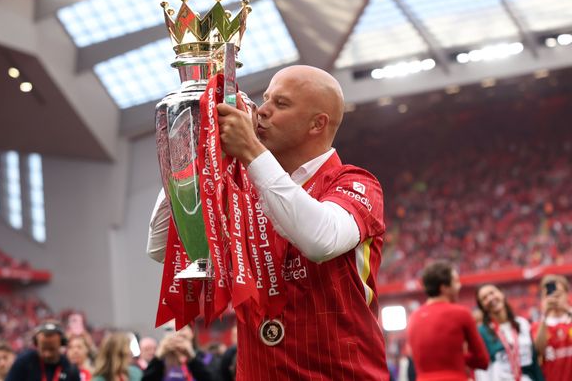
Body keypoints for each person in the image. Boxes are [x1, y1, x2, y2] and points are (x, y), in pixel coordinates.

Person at [148, 65, 389, 379]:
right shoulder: (243, 188)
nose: (262, 111)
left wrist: (251, 150)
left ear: (317, 124)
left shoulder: (355, 183)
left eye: (281, 104)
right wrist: (197, 157)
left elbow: (321, 240)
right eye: (266, 99)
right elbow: (161, 246)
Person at [407, 261, 488, 381]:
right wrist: (457, 357)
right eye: (455, 282)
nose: (459, 286)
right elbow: (482, 360)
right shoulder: (461, 313)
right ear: (444, 288)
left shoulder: (413, 317)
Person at [475, 284, 543, 381]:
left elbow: (534, 361)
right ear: (482, 306)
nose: (490, 298)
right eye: (484, 298)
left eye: (492, 293)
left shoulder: (523, 324)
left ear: (502, 294)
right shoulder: (482, 332)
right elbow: (481, 370)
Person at [6, 321, 81, 381]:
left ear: (61, 344)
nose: (47, 354)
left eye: (51, 349)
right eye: (43, 349)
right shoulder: (24, 363)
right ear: (36, 344)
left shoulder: (70, 369)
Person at [531, 275, 572, 380]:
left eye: (558, 294)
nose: (554, 298)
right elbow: (538, 351)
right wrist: (545, 314)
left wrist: (568, 310)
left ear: (567, 294)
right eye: (549, 294)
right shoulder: (538, 326)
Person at [142, 325, 215, 381]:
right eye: (170, 329)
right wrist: (158, 357)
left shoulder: (206, 358)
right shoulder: (160, 362)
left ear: (192, 332)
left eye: (182, 328)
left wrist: (192, 357)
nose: (177, 333)